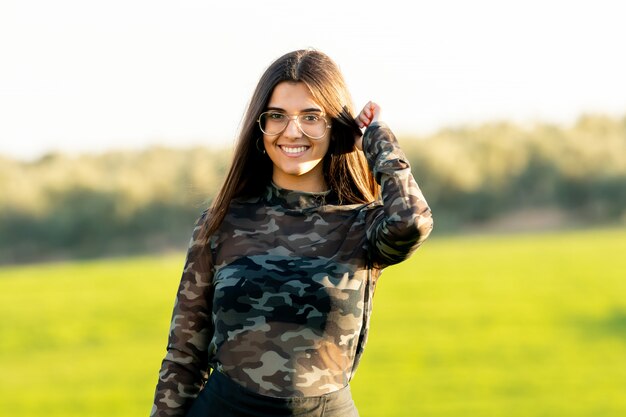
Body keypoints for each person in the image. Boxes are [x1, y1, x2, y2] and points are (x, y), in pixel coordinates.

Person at [150, 48, 433, 417]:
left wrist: (376, 137)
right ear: (260, 125)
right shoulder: (221, 221)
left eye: (311, 117)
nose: (292, 131)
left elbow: (412, 221)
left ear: (336, 126)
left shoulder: (362, 226)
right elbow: (184, 357)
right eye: (277, 116)